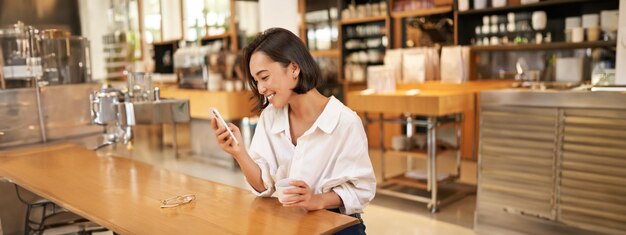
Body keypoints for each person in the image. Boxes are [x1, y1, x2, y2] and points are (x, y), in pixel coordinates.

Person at [211, 28, 376, 234]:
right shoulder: (270, 117)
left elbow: (362, 189)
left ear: (294, 68)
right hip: (290, 224)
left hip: (338, 226)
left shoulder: (345, 121)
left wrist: (316, 200)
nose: (260, 88)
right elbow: (263, 186)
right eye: (256, 81)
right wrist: (239, 152)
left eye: (264, 77)